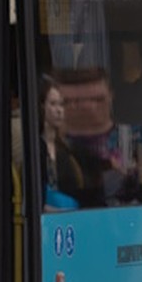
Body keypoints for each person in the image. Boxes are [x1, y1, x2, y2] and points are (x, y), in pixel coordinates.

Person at [58, 66, 142, 206]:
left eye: (97, 99)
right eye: (77, 101)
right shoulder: (56, 143)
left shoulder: (137, 136)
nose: (88, 107)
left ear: (111, 96)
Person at [39, 76, 83, 209]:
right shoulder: (36, 147)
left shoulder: (67, 150)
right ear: (42, 107)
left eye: (61, 104)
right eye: (53, 104)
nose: (59, 110)